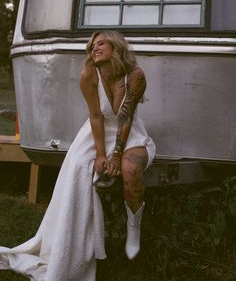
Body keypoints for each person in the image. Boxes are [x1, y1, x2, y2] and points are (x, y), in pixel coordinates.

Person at [0, 30, 156, 280]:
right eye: (92, 45)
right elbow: (96, 116)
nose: (94, 48)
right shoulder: (88, 74)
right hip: (95, 133)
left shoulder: (134, 76)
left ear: (116, 46)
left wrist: (116, 155)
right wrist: (101, 155)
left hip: (129, 133)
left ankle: (133, 227)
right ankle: (72, 248)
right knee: (78, 169)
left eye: (101, 43)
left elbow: (125, 118)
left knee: (130, 169)